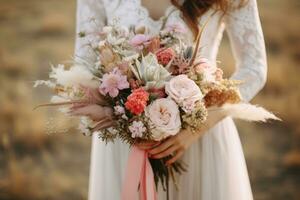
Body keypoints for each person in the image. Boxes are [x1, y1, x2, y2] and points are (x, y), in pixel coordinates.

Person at [75, 0, 267, 199]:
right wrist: (124, 115)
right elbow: (83, 64)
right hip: (124, 142)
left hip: (198, 138)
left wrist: (199, 125)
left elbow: (254, 69)